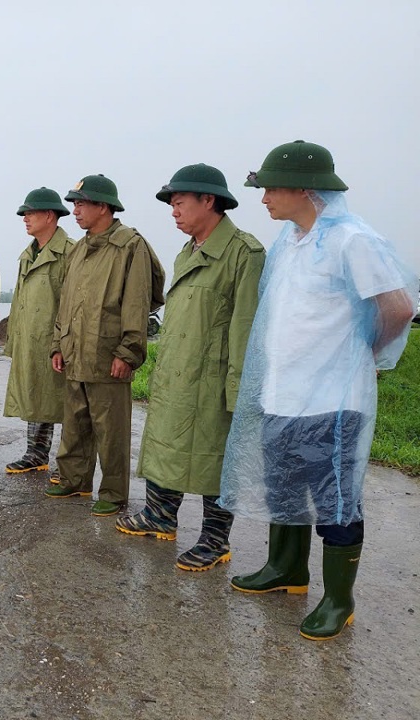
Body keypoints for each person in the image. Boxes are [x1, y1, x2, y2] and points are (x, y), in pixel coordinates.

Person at [220, 140, 417, 640]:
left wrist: (366, 355)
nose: (262, 197)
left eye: (268, 187)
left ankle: (338, 599)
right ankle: (285, 569)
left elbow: (397, 308)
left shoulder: (352, 239)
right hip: (282, 394)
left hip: (332, 398)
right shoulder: (290, 240)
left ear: (301, 188)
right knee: (284, 487)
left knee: (335, 498)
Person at [115, 164, 265, 571]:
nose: (173, 212)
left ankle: (215, 541)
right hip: (177, 375)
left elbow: (246, 329)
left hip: (212, 382)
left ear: (208, 200)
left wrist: (238, 396)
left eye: (179, 203)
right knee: (166, 446)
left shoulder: (243, 253)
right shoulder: (188, 251)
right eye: (172, 205)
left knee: (215, 459)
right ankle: (159, 516)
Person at [46, 175, 164, 516]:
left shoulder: (129, 245)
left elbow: (138, 300)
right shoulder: (78, 249)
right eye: (74, 204)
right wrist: (58, 345)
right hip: (74, 350)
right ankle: (74, 479)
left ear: (103, 206)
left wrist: (128, 352)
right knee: (75, 422)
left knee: (111, 429)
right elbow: (65, 302)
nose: (76, 210)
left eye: (82, 204)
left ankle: (113, 490)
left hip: (107, 351)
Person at [3, 187, 76, 474]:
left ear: (50, 215)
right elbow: (20, 301)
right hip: (30, 339)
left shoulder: (70, 252)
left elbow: (72, 303)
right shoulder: (27, 255)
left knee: (65, 403)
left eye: (30, 213)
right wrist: (14, 342)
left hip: (56, 340)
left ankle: (71, 465)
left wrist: (62, 343)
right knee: (36, 397)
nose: (25, 218)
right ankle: (36, 453)